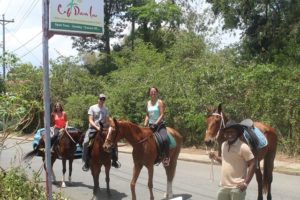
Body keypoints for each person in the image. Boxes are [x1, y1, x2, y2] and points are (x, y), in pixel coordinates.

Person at [208, 120, 256, 200]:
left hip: (237, 188)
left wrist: (245, 183)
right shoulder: (223, 145)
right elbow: (225, 161)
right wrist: (215, 157)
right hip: (223, 186)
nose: (229, 135)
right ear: (224, 134)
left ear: (237, 133)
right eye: (227, 132)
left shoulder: (243, 147)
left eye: (232, 132)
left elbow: (253, 163)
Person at [82, 94, 120, 171]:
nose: (102, 100)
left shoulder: (105, 109)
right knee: (85, 142)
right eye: (101, 99)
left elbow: (106, 120)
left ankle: (114, 160)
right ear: (98, 99)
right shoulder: (92, 108)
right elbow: (90, 120)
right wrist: (96, 127)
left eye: (103, 99)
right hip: (93, 128)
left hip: (103, 129)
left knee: (113, 142)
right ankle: (86, 162)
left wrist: (111, 125)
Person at [144, 87, 170, 166]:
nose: (153, 93)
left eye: (154, 92)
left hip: (159, 125)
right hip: (150, 126)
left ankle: (166, 158)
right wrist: (145, 124)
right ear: (149, 93)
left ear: (157, 93)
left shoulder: (160, 102)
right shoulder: (148, 103)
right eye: (151, 92)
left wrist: (156, 123)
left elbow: (162, 114)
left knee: (165, 139)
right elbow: (148, 115)